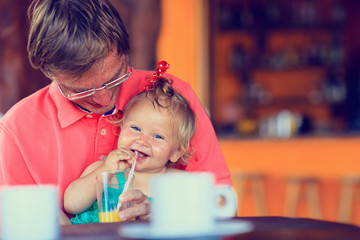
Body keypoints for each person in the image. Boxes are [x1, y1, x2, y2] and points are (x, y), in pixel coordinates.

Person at [0, 0, 232, 223]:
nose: (105, 99)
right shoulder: (16, 130)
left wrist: (167, 215)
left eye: (115, 78)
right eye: (82, 91)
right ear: (49, 72)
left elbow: (224, 206)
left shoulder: (174, 99)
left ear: (125, 51)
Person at [65, 68, 196, 223]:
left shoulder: (178, 182)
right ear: (121, 128)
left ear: (176, 152)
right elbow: (70, 205)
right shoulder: (102, 170)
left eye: (158, 136)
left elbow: (193, 223)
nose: (142, 140)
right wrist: (106, 169)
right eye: (135, 128)